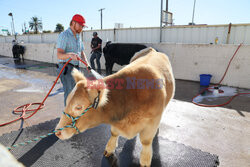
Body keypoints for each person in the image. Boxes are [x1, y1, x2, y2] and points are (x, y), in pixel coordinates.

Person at [56, 14, 90, 106]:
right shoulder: (64, 35)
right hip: (66, 68)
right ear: (73, 23)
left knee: (78, 93)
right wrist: (69, 55)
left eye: (83, 26)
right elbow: (59, 55)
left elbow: (82, 52)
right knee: (70, 94)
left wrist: (87, 63)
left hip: (76, 68)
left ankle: (74, 114)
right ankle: (68, 118)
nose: (82, 28)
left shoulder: (78, 36)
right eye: (80, 25)